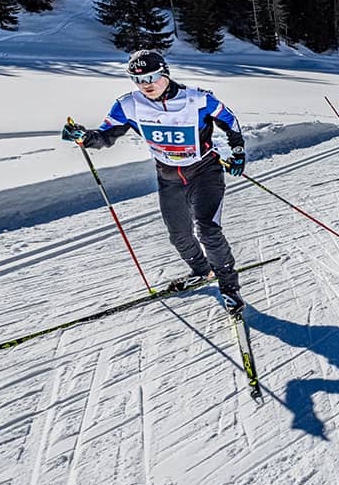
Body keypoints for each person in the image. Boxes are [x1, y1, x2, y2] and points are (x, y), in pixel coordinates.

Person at [61, 50, 248, 314]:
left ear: (165, 73)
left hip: (204, 172)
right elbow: (105, 136)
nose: (146, 84)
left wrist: (238, 151)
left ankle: (230, 288)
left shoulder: (198, 99)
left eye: (152, 76)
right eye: (137, 79)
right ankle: (203, 271)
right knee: (179, 236)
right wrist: (83, 136)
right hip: (168, 177)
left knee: (207, 230)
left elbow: (230, 122)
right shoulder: (129, 105)